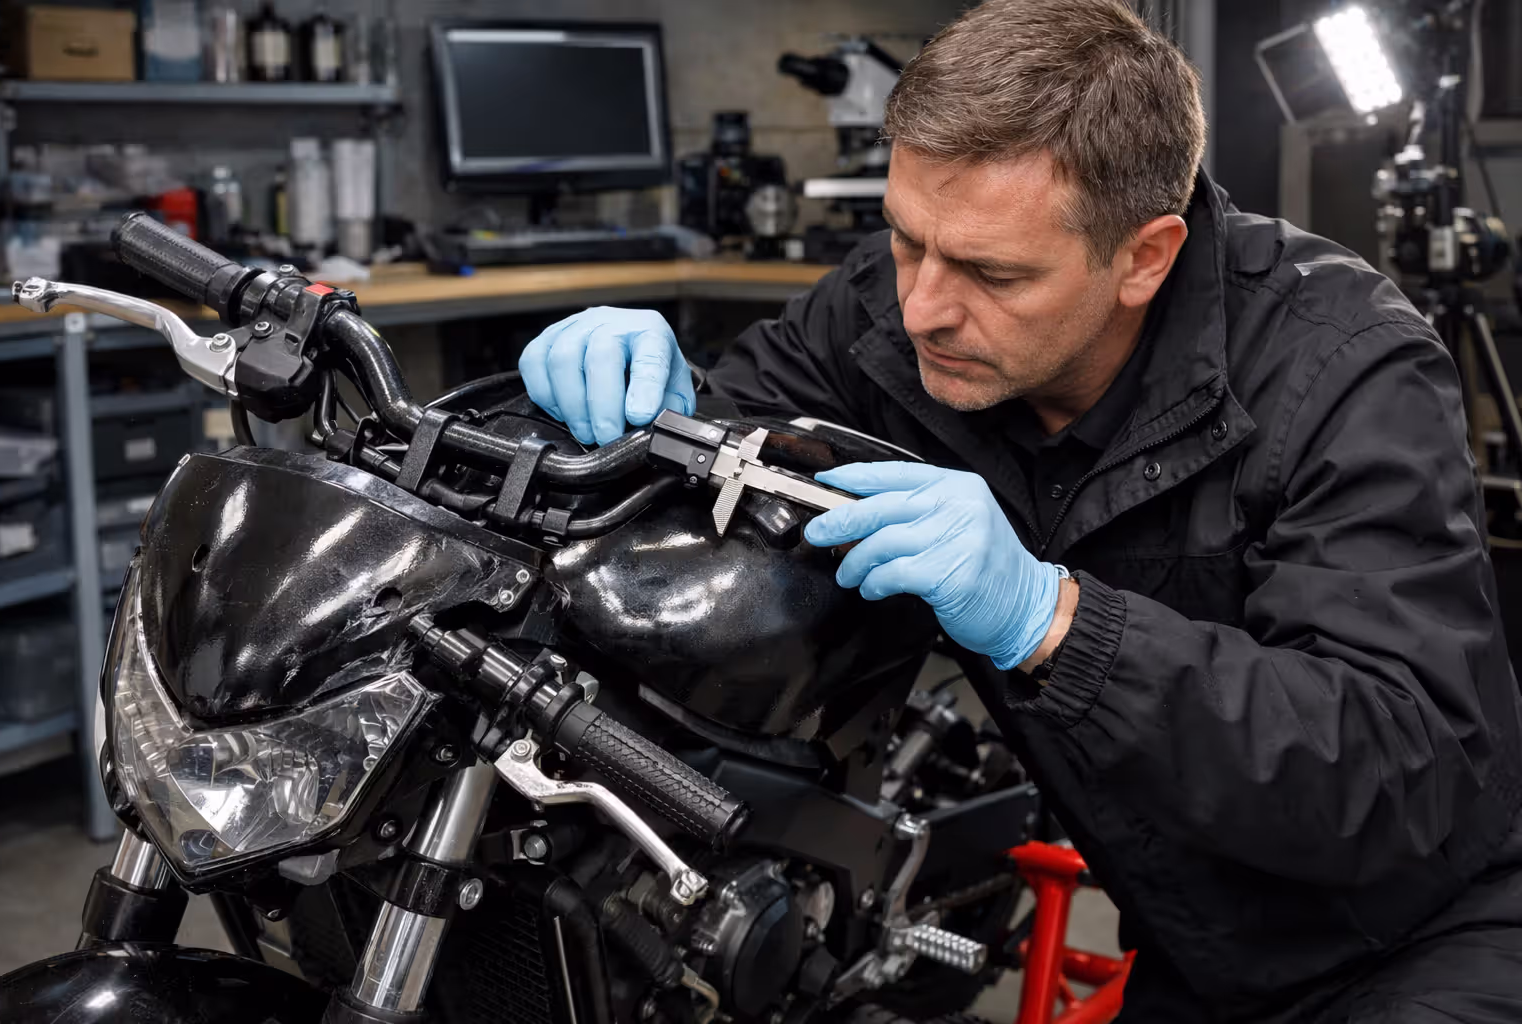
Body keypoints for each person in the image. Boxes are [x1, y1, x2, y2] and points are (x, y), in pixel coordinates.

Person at [518, 1, 1522, 1020]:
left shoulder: (1347, 372)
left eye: (994, 273)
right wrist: (661, 399)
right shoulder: (898, 313)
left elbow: (1396, 778)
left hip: (1428, 934)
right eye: (908, 240)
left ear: (1145, 256)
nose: (922, 308)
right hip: (1191, 939)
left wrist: (1057, 622)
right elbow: (746, 421)